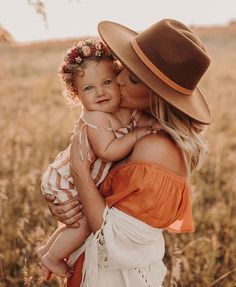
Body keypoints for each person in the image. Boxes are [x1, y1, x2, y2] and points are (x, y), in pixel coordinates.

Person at [45, 19, 211, 287]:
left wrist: (80, 175)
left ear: (157, 96)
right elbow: (102, 200)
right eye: (123, 67)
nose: (118, 80)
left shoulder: (154, 147)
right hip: (93, 266)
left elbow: (113, 236)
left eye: (132, 78)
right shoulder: (132, 126)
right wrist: (65, 202)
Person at [37, 38, 157, 278]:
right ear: (76, 94)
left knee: (74, 222)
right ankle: (52, 257)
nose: (100, 92)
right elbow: (108, 151)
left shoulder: (116, 109)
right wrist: (136, 135)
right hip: (66, 177)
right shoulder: (95, 118)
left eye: (106, 82)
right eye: (89, 88)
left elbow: (134, 116)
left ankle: (47, 249)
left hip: (73, 176)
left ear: (117, 81)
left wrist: (143, 123)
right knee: (81, 225)